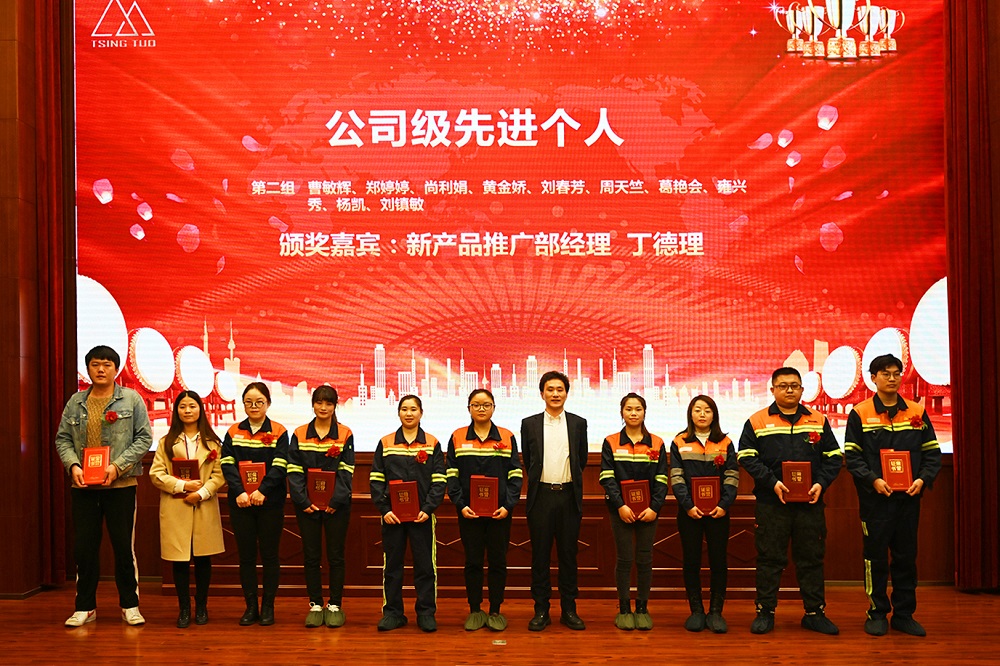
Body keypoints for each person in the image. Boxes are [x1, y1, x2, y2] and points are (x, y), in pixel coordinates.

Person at [738, 367, 843, 635]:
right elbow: (746, 456)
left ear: (802, 390)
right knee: (769, 558)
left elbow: (833, 456)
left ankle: (814, 613)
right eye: (783, 386)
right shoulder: (757, 421)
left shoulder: (818, 419)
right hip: (772, 504)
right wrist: (772, 482)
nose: (789, 390)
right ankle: (765, 612)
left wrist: (820, 483)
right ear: (772, 389)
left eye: (794, 386)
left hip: (810, 503)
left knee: (811, 558)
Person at [56, 345, 153, 627]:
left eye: (107, 364)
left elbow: (144, 438)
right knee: (84, 549)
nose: (101, 369)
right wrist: (74, 466)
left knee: (123, 548)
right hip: (83, 488)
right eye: (95, 364)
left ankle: (130, 605)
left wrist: (117, 466)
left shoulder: (131, 399)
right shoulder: (76, 402)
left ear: (116, 369)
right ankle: (85, 607)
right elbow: (63, 439)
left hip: (120, 486)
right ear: (88, 369)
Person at [844, 354, 941, 637]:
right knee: (875, 558)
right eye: (885, 373)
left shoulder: (916, 411)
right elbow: (853, 457)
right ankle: (876, 613)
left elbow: (932, 453)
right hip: (875, 501)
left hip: (908, 500)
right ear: (873, 378)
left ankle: (904, 614)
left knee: (906, 558)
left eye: (896, 373)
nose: (892, 378)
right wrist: (873, 480)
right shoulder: (860, 413)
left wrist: (922, 479)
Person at [446, 389, 523, 632]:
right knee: (473, 562)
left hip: (500, 513)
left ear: (493, 408)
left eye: (486, 404)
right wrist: (461, 505)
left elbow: (515, 474)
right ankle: (475, 609)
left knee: (498, 561)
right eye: (476, 404)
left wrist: (508, 505)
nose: (481, 409)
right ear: (468, 408)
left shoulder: (507, 436)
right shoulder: (457, 437)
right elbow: (451, 475)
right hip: (469, 513)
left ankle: (496, 610)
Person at [370, 395, 446, 632]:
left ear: (421, 413)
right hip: (392, 517)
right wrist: (385, 510)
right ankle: (393, 613)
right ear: (398, 413)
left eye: (413, 409)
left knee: (425, 566)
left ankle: (426, 612)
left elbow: (439, 480)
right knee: (392, 567)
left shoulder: (431, 443)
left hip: (422, 517)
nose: (409, 413)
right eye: (404, 409)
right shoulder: (386, 443)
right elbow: (376, 479)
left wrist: (428, 509)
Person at [148, 390, 225, 628]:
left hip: (203, 504)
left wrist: (200, 493)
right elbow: (156, 474)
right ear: (176, 411)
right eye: (183, 407)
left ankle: (201, 606)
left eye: (192, 406)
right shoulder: (166, 442)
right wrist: (183, 486)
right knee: (179, 560)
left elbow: (219, 475)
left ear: (200, 409)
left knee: (203, 558)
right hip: (176, 505)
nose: (188, 410)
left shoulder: (213, 442)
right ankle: (184, 608)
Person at [521, 370, 589, 631]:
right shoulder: (529, 424)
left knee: (568, 556)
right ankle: (541, 610)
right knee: (539, 557)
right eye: (550, 389)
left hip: (569, 497)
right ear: (542, 394)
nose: (555, 394)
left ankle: (569, 610)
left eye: (560, 389)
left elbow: (581, 459)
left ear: (566, 394)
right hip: (541, 497)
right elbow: (529, 460)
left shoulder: (578, 423)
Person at [220, 382, 289, 626]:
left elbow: (280, 465)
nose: (254, 406)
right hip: (241, 504)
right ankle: (250, 607)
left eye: (259, 402)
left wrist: (262, 491)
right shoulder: (233, 431)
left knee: (270, 556)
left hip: (270, 503)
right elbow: (227, 463)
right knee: (246, 557)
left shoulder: (279, 431)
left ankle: (268, 606)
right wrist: (239, 491)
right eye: (249, 402)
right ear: (243, 404)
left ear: (268, 403)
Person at [669, 394, 739, 634]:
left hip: (719, 512)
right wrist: (688, 505)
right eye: (697, 409)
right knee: (691, 561)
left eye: (707, 410)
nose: (702, 414)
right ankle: (697, 610)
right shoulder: (679, 441)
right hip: (689, 513)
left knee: (719, 561)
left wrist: (724, 504)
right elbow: (676, 477)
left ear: (714, 415)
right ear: (690, 414)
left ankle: (716, 611)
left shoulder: (725, 442)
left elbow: (732, 475)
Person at [598, 392, 668, 631]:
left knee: (645, 558)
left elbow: (662, 479)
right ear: (622, 412)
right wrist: (621, 505)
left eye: (638, 409)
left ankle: (642, 608)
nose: (634, 413)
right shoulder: (611, 442)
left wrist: (654, 507)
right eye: (629, 409)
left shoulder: (657, 443)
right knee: (625, 558)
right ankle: (624, 609)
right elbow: (607, 477)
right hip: (620, 511)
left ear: (644, 412)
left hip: (649, 511)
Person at [287, 386, 355, 629]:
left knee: (336, 556)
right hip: (307, 507)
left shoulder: (345, 433)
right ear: (313, 404)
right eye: (319, 402)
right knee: (311, 555)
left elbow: (347, 470)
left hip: (337, 507)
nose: (323, 407)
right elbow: (294, 470)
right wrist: (303, 501)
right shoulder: (299, 433)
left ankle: (335, 604)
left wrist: (335, 501)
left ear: (335, 406)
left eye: (328, 403)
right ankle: (315, 604)